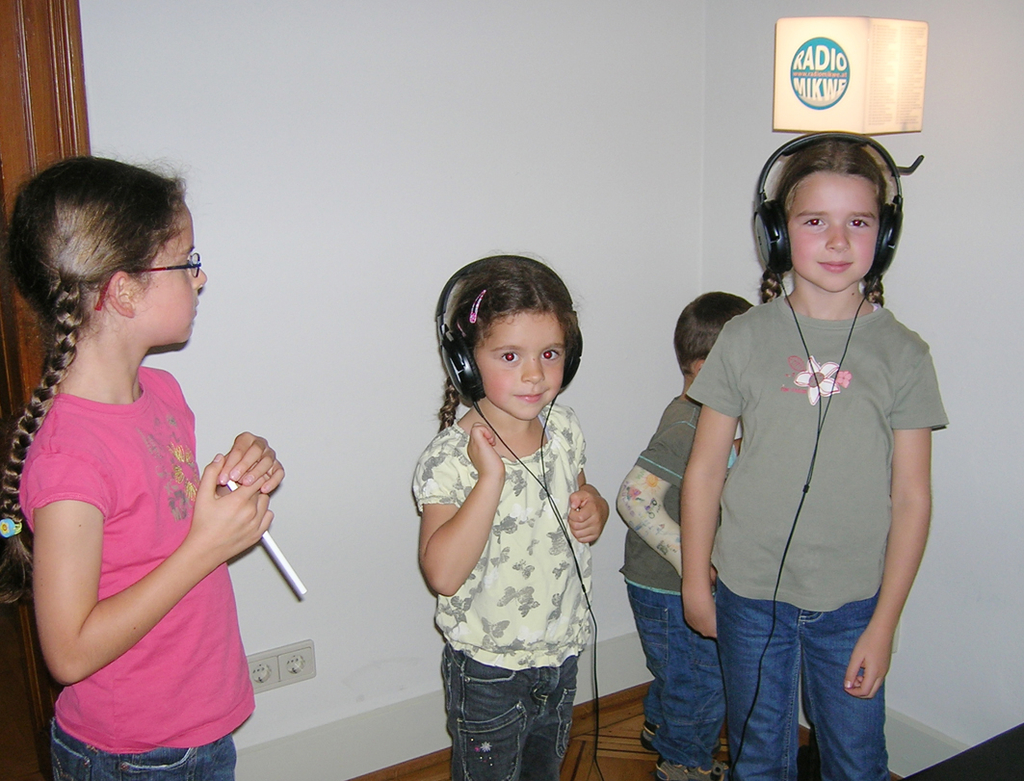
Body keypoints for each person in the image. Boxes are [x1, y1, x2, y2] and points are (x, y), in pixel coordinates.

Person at [0, 157, 284, 780]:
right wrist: (207, 548)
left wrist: (234, 486)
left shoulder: (161, 393)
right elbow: (69, 652)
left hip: (197, 721)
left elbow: (156, 538)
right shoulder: (71, 458)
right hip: (133, 754)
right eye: (186, 261)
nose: (200, 277)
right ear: (124, 291)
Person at [680, 134, 947, 781]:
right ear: (777, 234)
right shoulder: (743, 337)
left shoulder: (904, 354)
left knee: (857, 761)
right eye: (814, 221)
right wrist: (693, 579)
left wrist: (884, 623)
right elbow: (706, 470)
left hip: (853, 603)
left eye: (859, 222)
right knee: (758, 757)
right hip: (749, 595)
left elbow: (912, 496)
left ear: (884, 236)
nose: (837, 241)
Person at [413, 255, 610, 781]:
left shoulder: (563, 429)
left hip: (561, 652)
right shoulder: (450, 460)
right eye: (508, 355)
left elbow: (582, 489)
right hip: (489, 670)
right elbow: (442, 574)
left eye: (550, 353)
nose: (534, 374)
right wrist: (490, 478)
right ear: (465, 362)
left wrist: (596, 507)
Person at [617, 291, 751, 781]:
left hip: (667, 582)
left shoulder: (706, 415)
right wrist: (692, 560)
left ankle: (660, 724)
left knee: (680, 669)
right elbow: (634, 498)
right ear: (705, 367)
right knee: (701, 680)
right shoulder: (688, 424)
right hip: (668, 584)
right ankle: (684, 763)